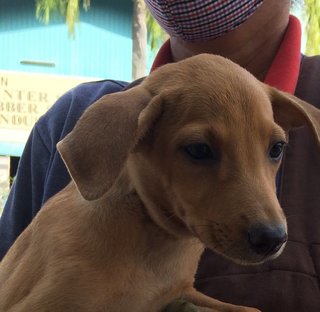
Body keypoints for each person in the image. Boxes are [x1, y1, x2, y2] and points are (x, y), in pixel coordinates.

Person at [1, 0, 320, 311]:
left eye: (275, 148)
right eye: (200, 151)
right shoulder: (76, 120)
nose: (268, 219)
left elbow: (170, 293)